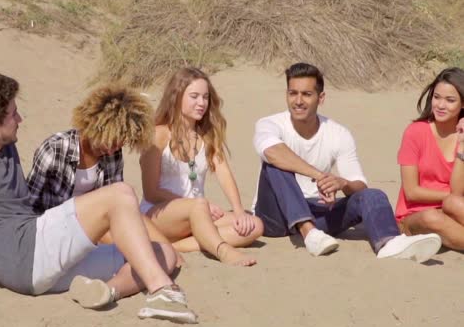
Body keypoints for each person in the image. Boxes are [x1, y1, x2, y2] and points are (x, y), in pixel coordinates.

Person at [0, 73, 197, 323]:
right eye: (13, 114)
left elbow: (126, 212)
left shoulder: (6, 146)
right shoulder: (56, 148)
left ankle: (108, 291)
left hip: (47, 268)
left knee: (163, 253)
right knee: (121, 193)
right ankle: (163, 292)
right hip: (29, 252)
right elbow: (39, 207)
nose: (20, 119)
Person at [253, 62, 441, 262]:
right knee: (274, 163)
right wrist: (319, 176)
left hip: (318, 213)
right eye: (293, 93)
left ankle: (389, 243)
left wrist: (342, 183)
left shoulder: (338, 133)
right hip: (275, 217)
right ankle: (308, 233)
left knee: (372, 195)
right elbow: (273, 152)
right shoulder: (270, 124)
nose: (298, 101)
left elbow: (359, 186)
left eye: (307, 94)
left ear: (321, 98)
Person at [140, 67, 263, 266]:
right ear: (177, 96)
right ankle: (223, 251)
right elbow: (151, 192)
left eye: (205, 97)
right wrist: (198, 205)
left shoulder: (206, 134)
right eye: (194, 96)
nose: (201, 103)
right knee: (199, 204)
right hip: (158, 215)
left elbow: (223, 172)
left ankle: (177, 246)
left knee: (254, 226)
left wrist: (239, 210)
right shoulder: (159, 135)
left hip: (198, 213)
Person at [26, 84, 172, 249]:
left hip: (95, 219)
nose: (112, 150)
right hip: (57, 225)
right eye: (109, 141)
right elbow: (30, 203)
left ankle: (168, 252)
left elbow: (118, 202)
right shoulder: (55, 149)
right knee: (109, 230)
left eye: (119, 144)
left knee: (132, 212)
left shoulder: (113, 154)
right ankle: (143, 254)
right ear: (94, 126)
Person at [396, 67, 464, 250]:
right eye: (437, 97)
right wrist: (449, 197)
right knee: (435, 214)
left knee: (454, 203)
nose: (440, 105)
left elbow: (457, 193)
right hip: (416, 215)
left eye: (450, 100)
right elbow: (411, 192)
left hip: (452, 212)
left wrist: (463, 146)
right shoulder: (415, 132)